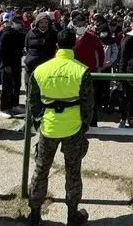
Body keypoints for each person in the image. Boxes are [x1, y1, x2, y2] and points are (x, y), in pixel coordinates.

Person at [27, 29, 94, 225]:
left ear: (57, 45)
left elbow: (33, 101)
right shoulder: (81, 70)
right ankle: (73, 215)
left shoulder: (41, 70)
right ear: (74, 45)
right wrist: (84, 125)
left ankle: (34, 214)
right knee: (73, 172)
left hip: (49, 126)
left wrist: (39, 120)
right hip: (73, 127)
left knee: (41, 170)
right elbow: (88, 103)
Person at [73, 15, 104, 126]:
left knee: (92, 99)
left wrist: (100, 66)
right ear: (74, 25)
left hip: (91, 72)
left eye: (83, 25)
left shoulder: (92, 37)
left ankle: (93, 122)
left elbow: (100, 51)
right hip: (75, 74)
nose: (81, 27)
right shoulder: (71, 38)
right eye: (78, 25)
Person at [0, 15, 26, 118]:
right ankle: (3, 108)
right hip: (7, 64)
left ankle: (15, 104)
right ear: (12, 22)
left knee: (17, 84)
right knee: (6, 87)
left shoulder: (20, 33)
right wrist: (6, 64)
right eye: (16, 21)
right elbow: (2, 51)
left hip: (17, 63)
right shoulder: (6, 33)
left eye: (20, 21)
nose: (18, 23)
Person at [24, 12, 58, 90]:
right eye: (41, 22)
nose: (44, 25)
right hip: (32, 66)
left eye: (46, 22)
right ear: (37, 23)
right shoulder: (30, 33)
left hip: (48, 68)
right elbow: (27, 48)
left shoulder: (54, 34)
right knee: (30, 89)